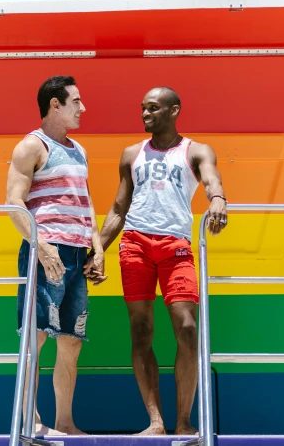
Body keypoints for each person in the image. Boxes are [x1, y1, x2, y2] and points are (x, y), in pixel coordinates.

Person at [91, 86, 227, 436]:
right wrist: (99, 248)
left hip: (175, 245)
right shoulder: (131, 154)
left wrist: (218, 199)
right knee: (140, 331)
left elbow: (211, 177)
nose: (145, 114)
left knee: (187, 328)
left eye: (153, 108)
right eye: (142, 108)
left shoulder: (195, 150)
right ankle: (156, 422)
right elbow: (119, 208)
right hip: (134, 243)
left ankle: (183, 422)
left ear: (174, 110)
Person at [6, 75, 105, 436]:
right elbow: (13, 203)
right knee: (36, 335)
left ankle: (65, 422)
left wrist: (98, 247)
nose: (83, 108)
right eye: (76, 101)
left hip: (78, 255)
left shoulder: (79, 150)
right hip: (46, 252)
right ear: (55, 105)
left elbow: (87, 202)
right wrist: (41, 246)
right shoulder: (30, 146)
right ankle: (30, 421)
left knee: (72, 340)